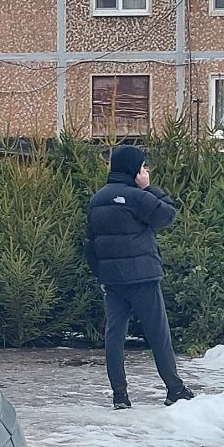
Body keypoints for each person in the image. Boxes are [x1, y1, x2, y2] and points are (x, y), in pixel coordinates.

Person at [83, 144, 195, 409]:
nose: (145, 171)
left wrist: (101, 274)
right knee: (158, 334)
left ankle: (119, 395)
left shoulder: (97, 200)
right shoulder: (137, 197)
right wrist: (149, 188)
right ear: (133, 169)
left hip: (112, 280)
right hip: (143, 277)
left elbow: (89, 244)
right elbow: (167, 215)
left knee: (114, 335)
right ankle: (174, 389)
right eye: (143, 167)